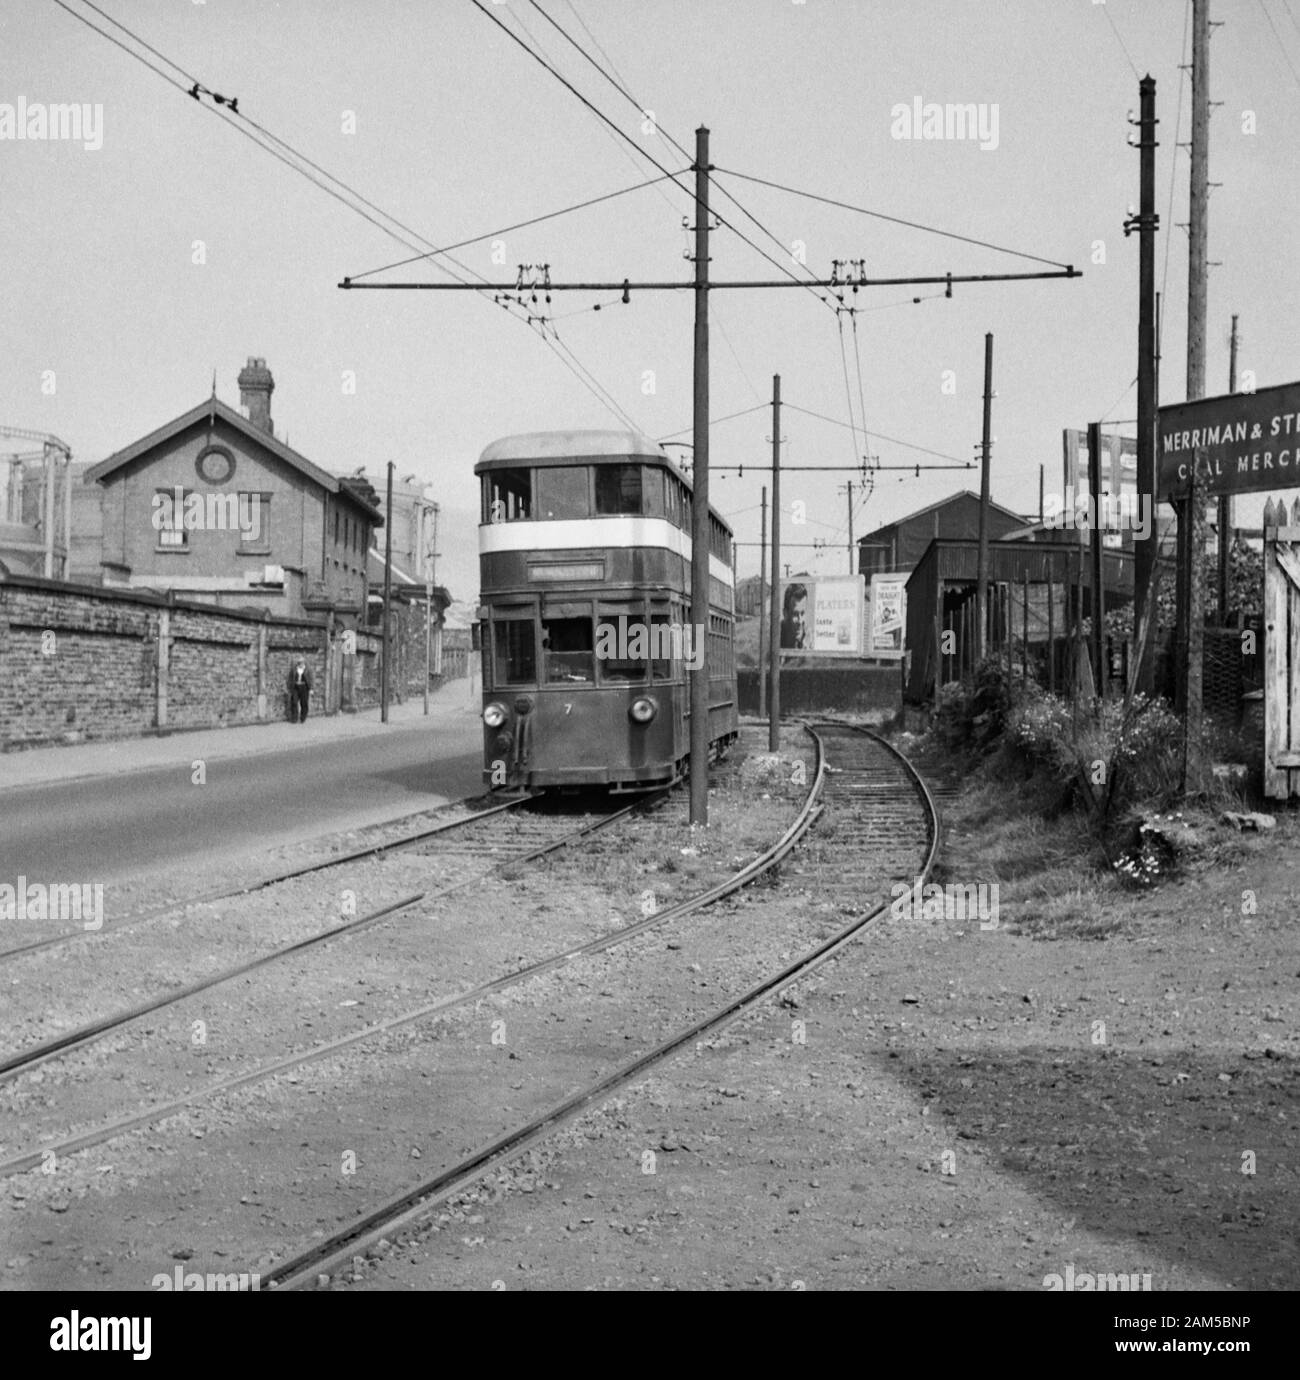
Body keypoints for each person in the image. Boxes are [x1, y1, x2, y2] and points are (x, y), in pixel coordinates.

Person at [780, 583, 809, 650]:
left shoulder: (810, 640)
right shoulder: (776, 639)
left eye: (802, 613)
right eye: (795, 614)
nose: (800, 621)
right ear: (785, 614)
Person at [287, 658, 313, 722]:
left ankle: (303, 717)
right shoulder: (294, 669)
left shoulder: (308, 670)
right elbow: (290, 678)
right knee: (294, 702)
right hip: (296, 687)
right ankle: (294, 718)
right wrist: (289, 687)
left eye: (302, 663)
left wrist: (311, 688)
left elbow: (311, 679)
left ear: (304, 663)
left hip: (304, 687)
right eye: (299, 663)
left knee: (304, 703)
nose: (301, 664)